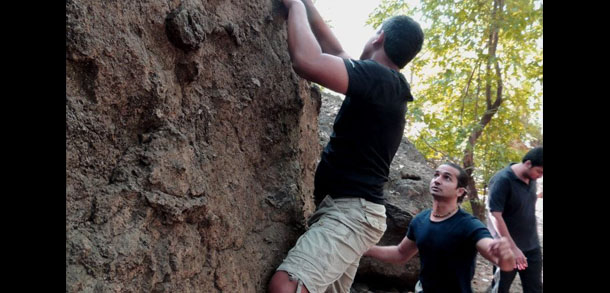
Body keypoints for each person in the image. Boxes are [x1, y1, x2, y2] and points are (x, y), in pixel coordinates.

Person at [268, 1, 424, 292]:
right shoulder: (381, 83)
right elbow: (334, 50)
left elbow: (307, 61)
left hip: (352, 213)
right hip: (354, 212)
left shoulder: (383, 80)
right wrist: (306, 4)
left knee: (285, 287)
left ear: (379, 37)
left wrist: (295, 8)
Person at [364, 163, 515, 293]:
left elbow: (501, 262)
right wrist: (365, 249)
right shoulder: (420, 220)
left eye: (446, 177)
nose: (437, 181)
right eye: (436, 175)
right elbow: (400, 253)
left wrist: (505, 254)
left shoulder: (469, 225)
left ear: (459, 191)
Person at [486, 147, 543, 293]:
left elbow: (522, 204)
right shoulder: (502, 180)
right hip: (507, 249)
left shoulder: (531, 178)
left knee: (535, 288)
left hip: (532, 247)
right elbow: (495, 215)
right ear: (528, 163)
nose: (540, 176)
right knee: (500, 289)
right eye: (540, 172)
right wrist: (513, 248)